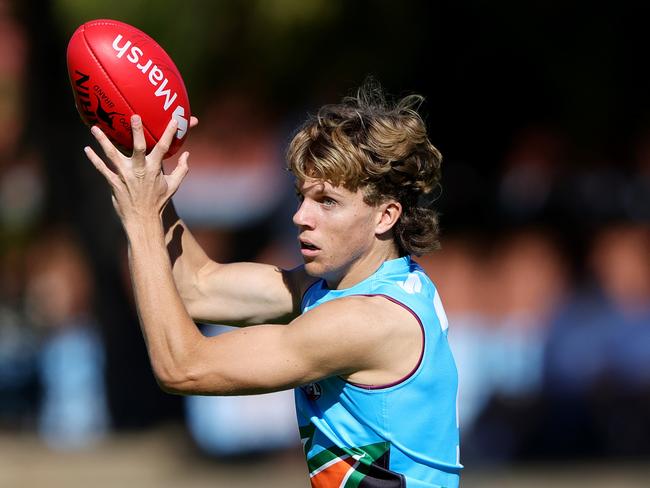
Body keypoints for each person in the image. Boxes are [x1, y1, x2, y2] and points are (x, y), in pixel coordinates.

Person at [84, 82, 463, 487]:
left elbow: (183, 368)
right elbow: (197, 286)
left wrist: (140, 218)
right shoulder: (350, 285)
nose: (301, 216)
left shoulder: (368, 320)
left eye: (327, 201)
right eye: (302, 196)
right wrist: (149, 164)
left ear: (385, 216)